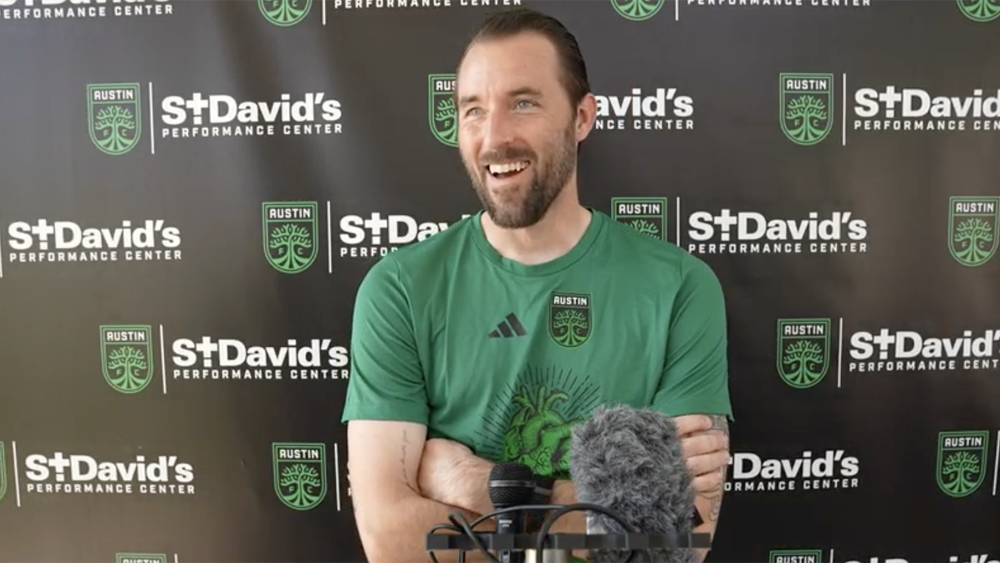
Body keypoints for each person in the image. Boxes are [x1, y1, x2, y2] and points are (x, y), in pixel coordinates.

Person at [340, 7, 733, 563]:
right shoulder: (399, 289)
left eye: (523, 103)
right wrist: (610, 512)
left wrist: (477, 483)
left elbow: (679, 546)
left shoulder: (680, 289)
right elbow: (389, 540)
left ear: (582, 117)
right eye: (473, 110)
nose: (494, 137)